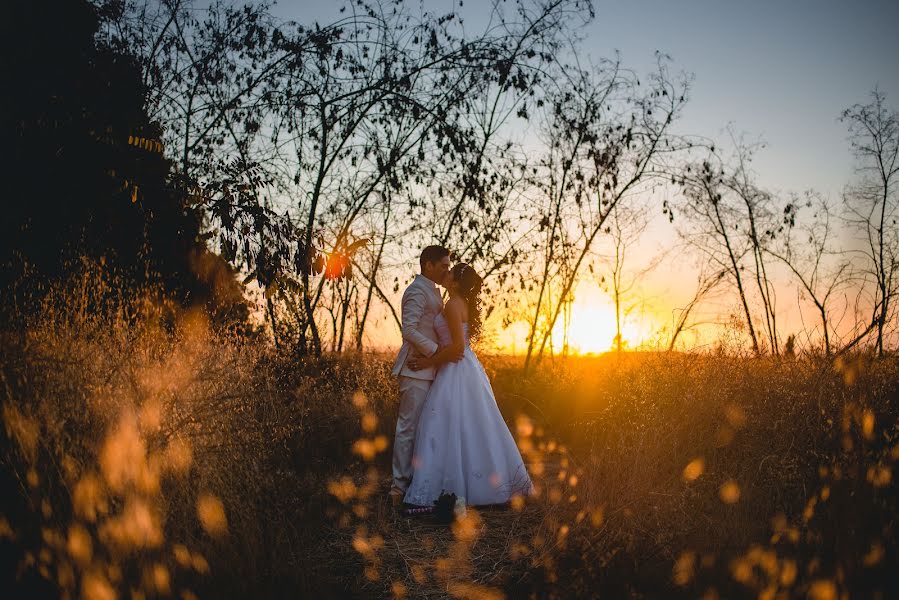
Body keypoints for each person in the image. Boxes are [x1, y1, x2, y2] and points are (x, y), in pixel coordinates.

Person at [403, 263, 533, 507]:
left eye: (450, 273)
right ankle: (481, 484)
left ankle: (454, 487)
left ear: (454, 283)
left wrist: (427, 361)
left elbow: (458, 348)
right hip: (463, 367)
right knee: (469, 425)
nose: (446, 272)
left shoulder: (453, 305)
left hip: (457, 368)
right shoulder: (457, 302)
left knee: (444, 423)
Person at [389, 245, 462, 506]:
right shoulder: (416, 291)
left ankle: (417, 482)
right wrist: (435, 352)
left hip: (431, 370)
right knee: (408, 428)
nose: (447, 270)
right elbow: (408, 329)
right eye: (443, 265)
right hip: (415, 370)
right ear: (428, 265)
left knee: (425, 430)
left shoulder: (434, 291)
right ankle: (398, 488)